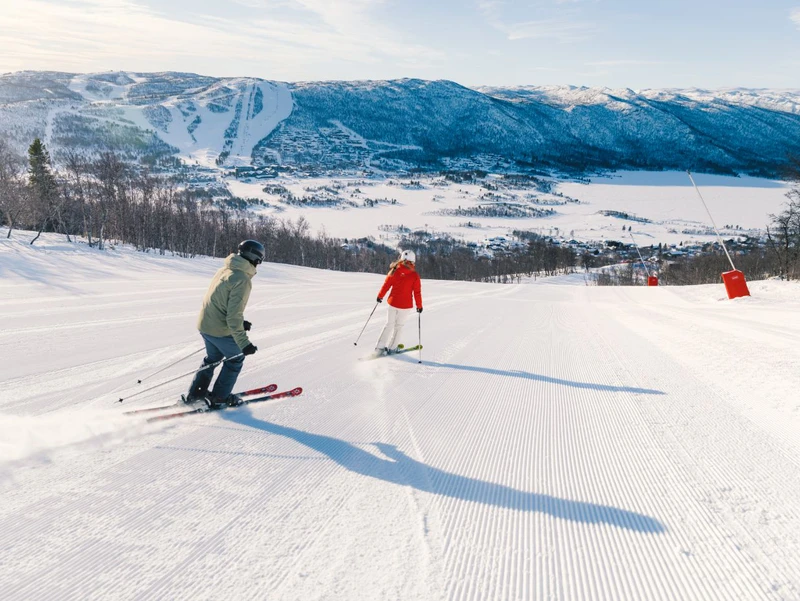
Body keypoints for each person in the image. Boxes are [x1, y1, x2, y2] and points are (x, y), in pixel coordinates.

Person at [184, 240, 264, 409]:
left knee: (212, 359)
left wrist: (241, 323)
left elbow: (219, 302)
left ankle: (196, 394)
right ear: (255, 258)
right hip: (218, 329)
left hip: (205, 324)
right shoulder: (242, 279)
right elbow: (233, 316)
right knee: (236, 359)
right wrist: (244, 344)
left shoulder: (225, 269)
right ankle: (219, 398)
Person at [374, 249, 423, 355]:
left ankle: (379, 348)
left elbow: (386, 285)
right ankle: (392, 348)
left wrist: (380, 296)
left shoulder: (394, 270)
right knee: (399, 326)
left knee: (389, 324)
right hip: (405, 306)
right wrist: (419, 306)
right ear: (413, 260)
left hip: (392, 303)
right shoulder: (414, 275)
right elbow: (417, 293)